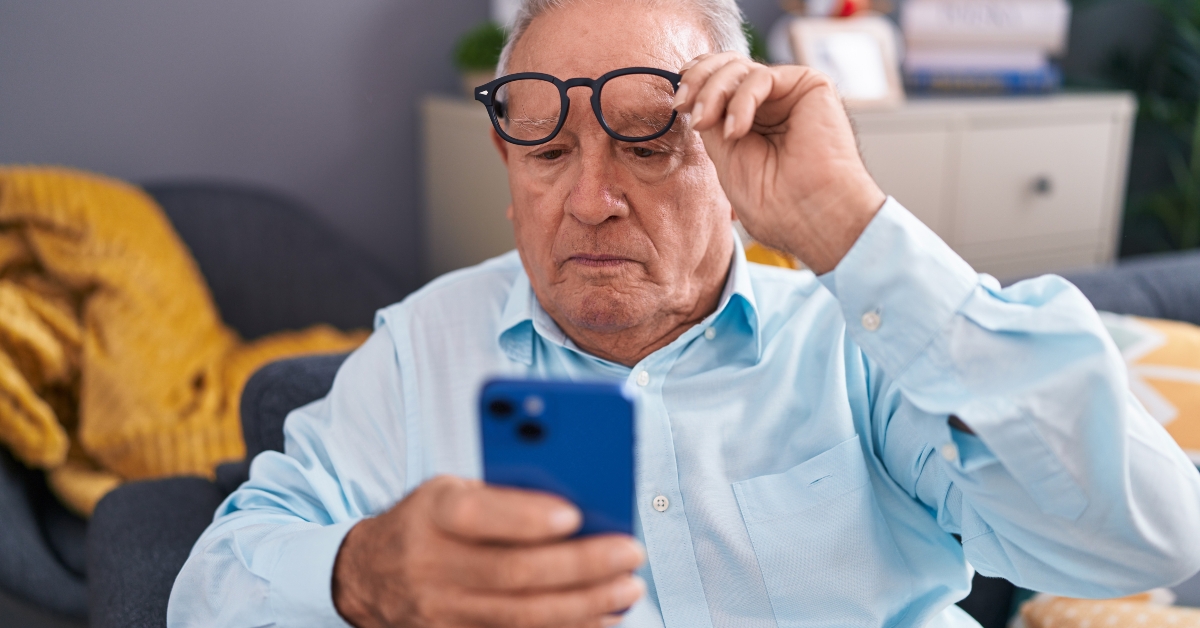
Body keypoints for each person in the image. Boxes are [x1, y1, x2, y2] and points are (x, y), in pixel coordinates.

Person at [167, 0, 1200, 626]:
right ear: (506, 159)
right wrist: (360, 579)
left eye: (650, 142)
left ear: (732, 152)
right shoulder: (421, 350)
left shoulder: (858, 337)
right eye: (548, 150)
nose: (589, 200)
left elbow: (1153, 538)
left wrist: (847, 223)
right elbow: (209, 588)